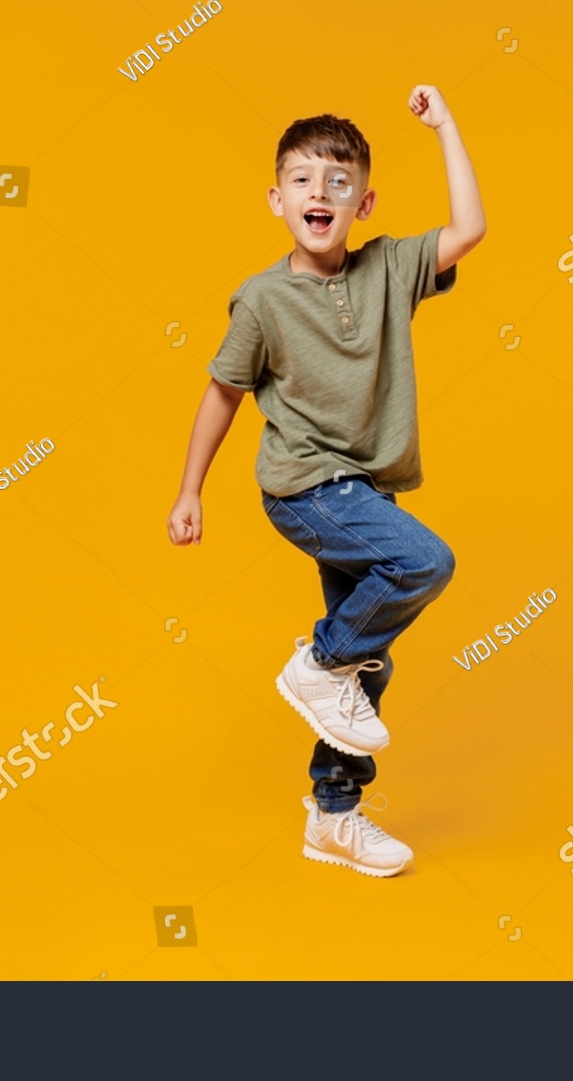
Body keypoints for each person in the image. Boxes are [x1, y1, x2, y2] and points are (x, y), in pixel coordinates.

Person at [167, 85, 486, 877]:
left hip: (365, 493)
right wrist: (189, 489)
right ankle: (315, 660)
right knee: (423, 564)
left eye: (339, 183)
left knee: (367, 665)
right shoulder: (264, 300)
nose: (321, 194)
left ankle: (334, 817)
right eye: (305, 181)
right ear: (277, 199)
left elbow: (472, 228)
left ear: (365, 202)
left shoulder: (388, 269)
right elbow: (223, 393)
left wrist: (444, 125)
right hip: (306, 487)